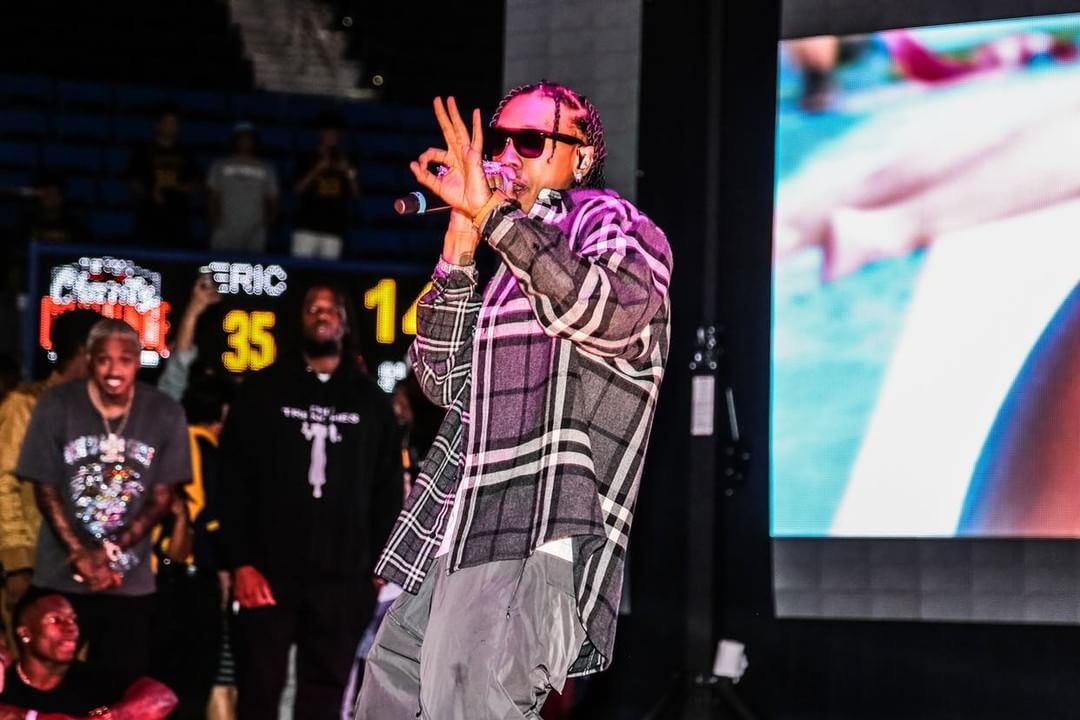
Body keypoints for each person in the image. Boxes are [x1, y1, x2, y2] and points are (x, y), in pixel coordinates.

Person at [354, 81, 672, 718]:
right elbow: (441, 379)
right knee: (386, 698)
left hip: (532, 524)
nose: (506, 156)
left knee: (470, 706)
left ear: (581, 158)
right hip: (455, 525)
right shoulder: (511, 264)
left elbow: (607, 311)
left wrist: (495, 217)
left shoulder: (610, 223)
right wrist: (460, 242)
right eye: (500, 141)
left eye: (529, 141)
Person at [219, 285, 402, 719]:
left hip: (345, 578)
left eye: (332, 308)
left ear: (346, 322)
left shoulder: (371, 401)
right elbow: (231, 481)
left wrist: (382, 565)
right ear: (298, 320)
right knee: (259, 691)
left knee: (324, 697)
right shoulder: (262, 391)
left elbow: (388, 489)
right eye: (313, 308)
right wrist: (240, 562)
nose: (323, 315)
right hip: (268, 573)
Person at [14, 319, 191, 682]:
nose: (113, 371)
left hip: (129, 583)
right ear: (90, 360)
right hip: (60, 576)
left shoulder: (164, 412)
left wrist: (108, 553)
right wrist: (79, 553)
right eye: (104, 359)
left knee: (120, 690)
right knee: (44, 683)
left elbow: (161, 498)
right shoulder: (57, 404)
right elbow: (45, 487)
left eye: (124, 359)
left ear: (138, 362)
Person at [0, 310, 101, 628]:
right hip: (37, 569)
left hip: (88, 573)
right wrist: (17, 562)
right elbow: (4, 483)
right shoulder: (25, 405)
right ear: (85, 351)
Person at [149, 372, 234, 719]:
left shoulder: (162, 442)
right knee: (191, 686)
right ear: (223, 412)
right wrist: (224, 570)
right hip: (190, 582)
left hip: (151, 580)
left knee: (155, 683)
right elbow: (211, 522)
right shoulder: (207, 450)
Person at [0, 587, 177, 718]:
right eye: (55, 620)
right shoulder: (6, 682)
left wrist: (108, 717)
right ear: (25, 633)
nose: (71, 627)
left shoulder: (94, 679)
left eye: (73, 620)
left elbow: (163, 697)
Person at [126, 105, 201, 249]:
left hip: (179, 221)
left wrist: (177, 187)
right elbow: (133, 180)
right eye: (168, 122)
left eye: (175, 123)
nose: (172, 127)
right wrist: (150, 192)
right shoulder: (143, 151)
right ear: (158, 124)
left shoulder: (186, 153)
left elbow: (197, 184)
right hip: (148, 220)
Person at [290, 114, 359, 259]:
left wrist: (348, 173)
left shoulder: (346, 160)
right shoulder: (307, 157)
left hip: (333, 230)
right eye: (328, 132)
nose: (332, 136)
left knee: (328, 272)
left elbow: (356, 194)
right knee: (300, 270)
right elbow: (297, 189)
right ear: (321, 133)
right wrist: (317, 170)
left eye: (335, 133)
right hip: (306, 227)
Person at [207, 122, 279, 255]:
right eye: (241, 137)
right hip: (224, 228)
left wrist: (268, 221)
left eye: (249, 138)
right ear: (235, 140)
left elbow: (272, 198)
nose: (245, 141)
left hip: (255, 230)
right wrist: (213, 217)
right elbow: (213, 195)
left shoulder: (266, 168)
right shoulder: (219, 165)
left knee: (252, 266)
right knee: (221, 264)